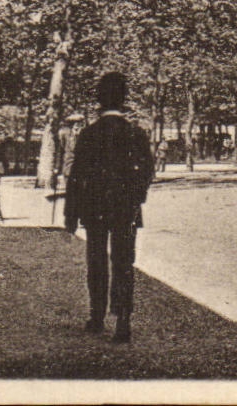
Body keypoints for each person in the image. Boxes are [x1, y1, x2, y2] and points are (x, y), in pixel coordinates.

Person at [65, 72, 156, 343]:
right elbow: (147, 173)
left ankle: (96, 316)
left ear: (99, 102)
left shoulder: (89, 134)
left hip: (94, 209)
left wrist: (71, 213)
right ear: (123, 100)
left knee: (96, 260)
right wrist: (136, 199)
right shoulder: (135, 134)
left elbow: (76, 176)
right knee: (124, 261)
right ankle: (123, 319)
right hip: (125, 209)